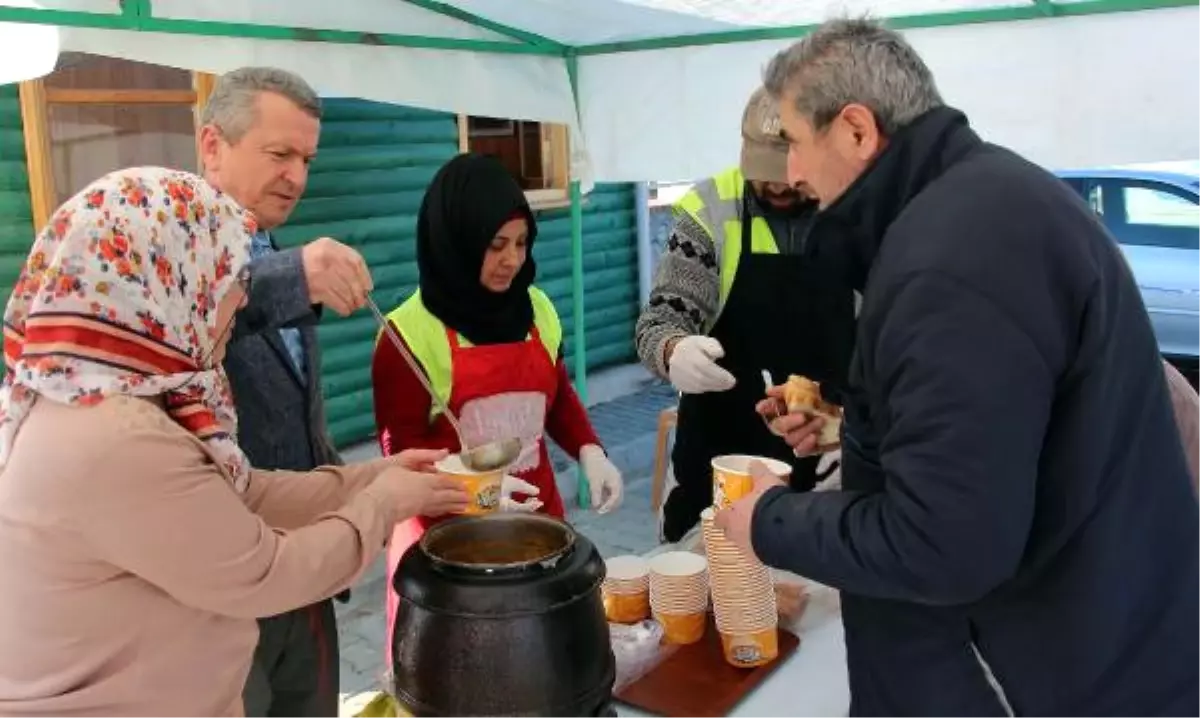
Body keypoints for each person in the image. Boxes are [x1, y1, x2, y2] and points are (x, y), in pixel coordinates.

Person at [714, 19, 1200, 717]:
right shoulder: (988, 201)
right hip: (1095, 644)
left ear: (856, 130)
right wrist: (853, 434)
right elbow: (1009, 437)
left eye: (792, 140)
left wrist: (772, 521)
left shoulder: (948, 262)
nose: (789, 171)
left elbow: (945, 544)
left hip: (1032, 676)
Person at [0, 167, 471, 718]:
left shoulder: (128, 398)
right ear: (165, 283)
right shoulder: (113, 438)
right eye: (228, 279)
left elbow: (238, 494)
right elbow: (266, 572)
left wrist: (370, 478)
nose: (240, 302)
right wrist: (384, 505)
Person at [372, 153, 624, 662]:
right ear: (457, 241)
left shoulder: (537, 311)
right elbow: (399, 459)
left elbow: (556, 399)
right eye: (495, 245)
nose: (512, 260)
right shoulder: (406, 337)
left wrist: (590, 449)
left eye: (521, 243)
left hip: (536, 530)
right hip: (448, 553)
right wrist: (475, 489)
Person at [198, 66, 374, 718]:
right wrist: (291, 273)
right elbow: (200, 305)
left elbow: (299, 410)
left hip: (305, 578)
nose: (297, 177)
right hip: (226, 595)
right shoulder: (170, 252)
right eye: (279, 154)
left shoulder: (274, 249)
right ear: (212, 147)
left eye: (306, 158)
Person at [635, 87, 857, 542]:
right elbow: (659, 322)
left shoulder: (856, 209)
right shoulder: (712, 209)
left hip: (830, 467)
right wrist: (672, 349)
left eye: (790, 174)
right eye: (764, 173)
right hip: (720, 472)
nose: (776, 186)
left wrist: (856, 424)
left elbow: (889, 341)